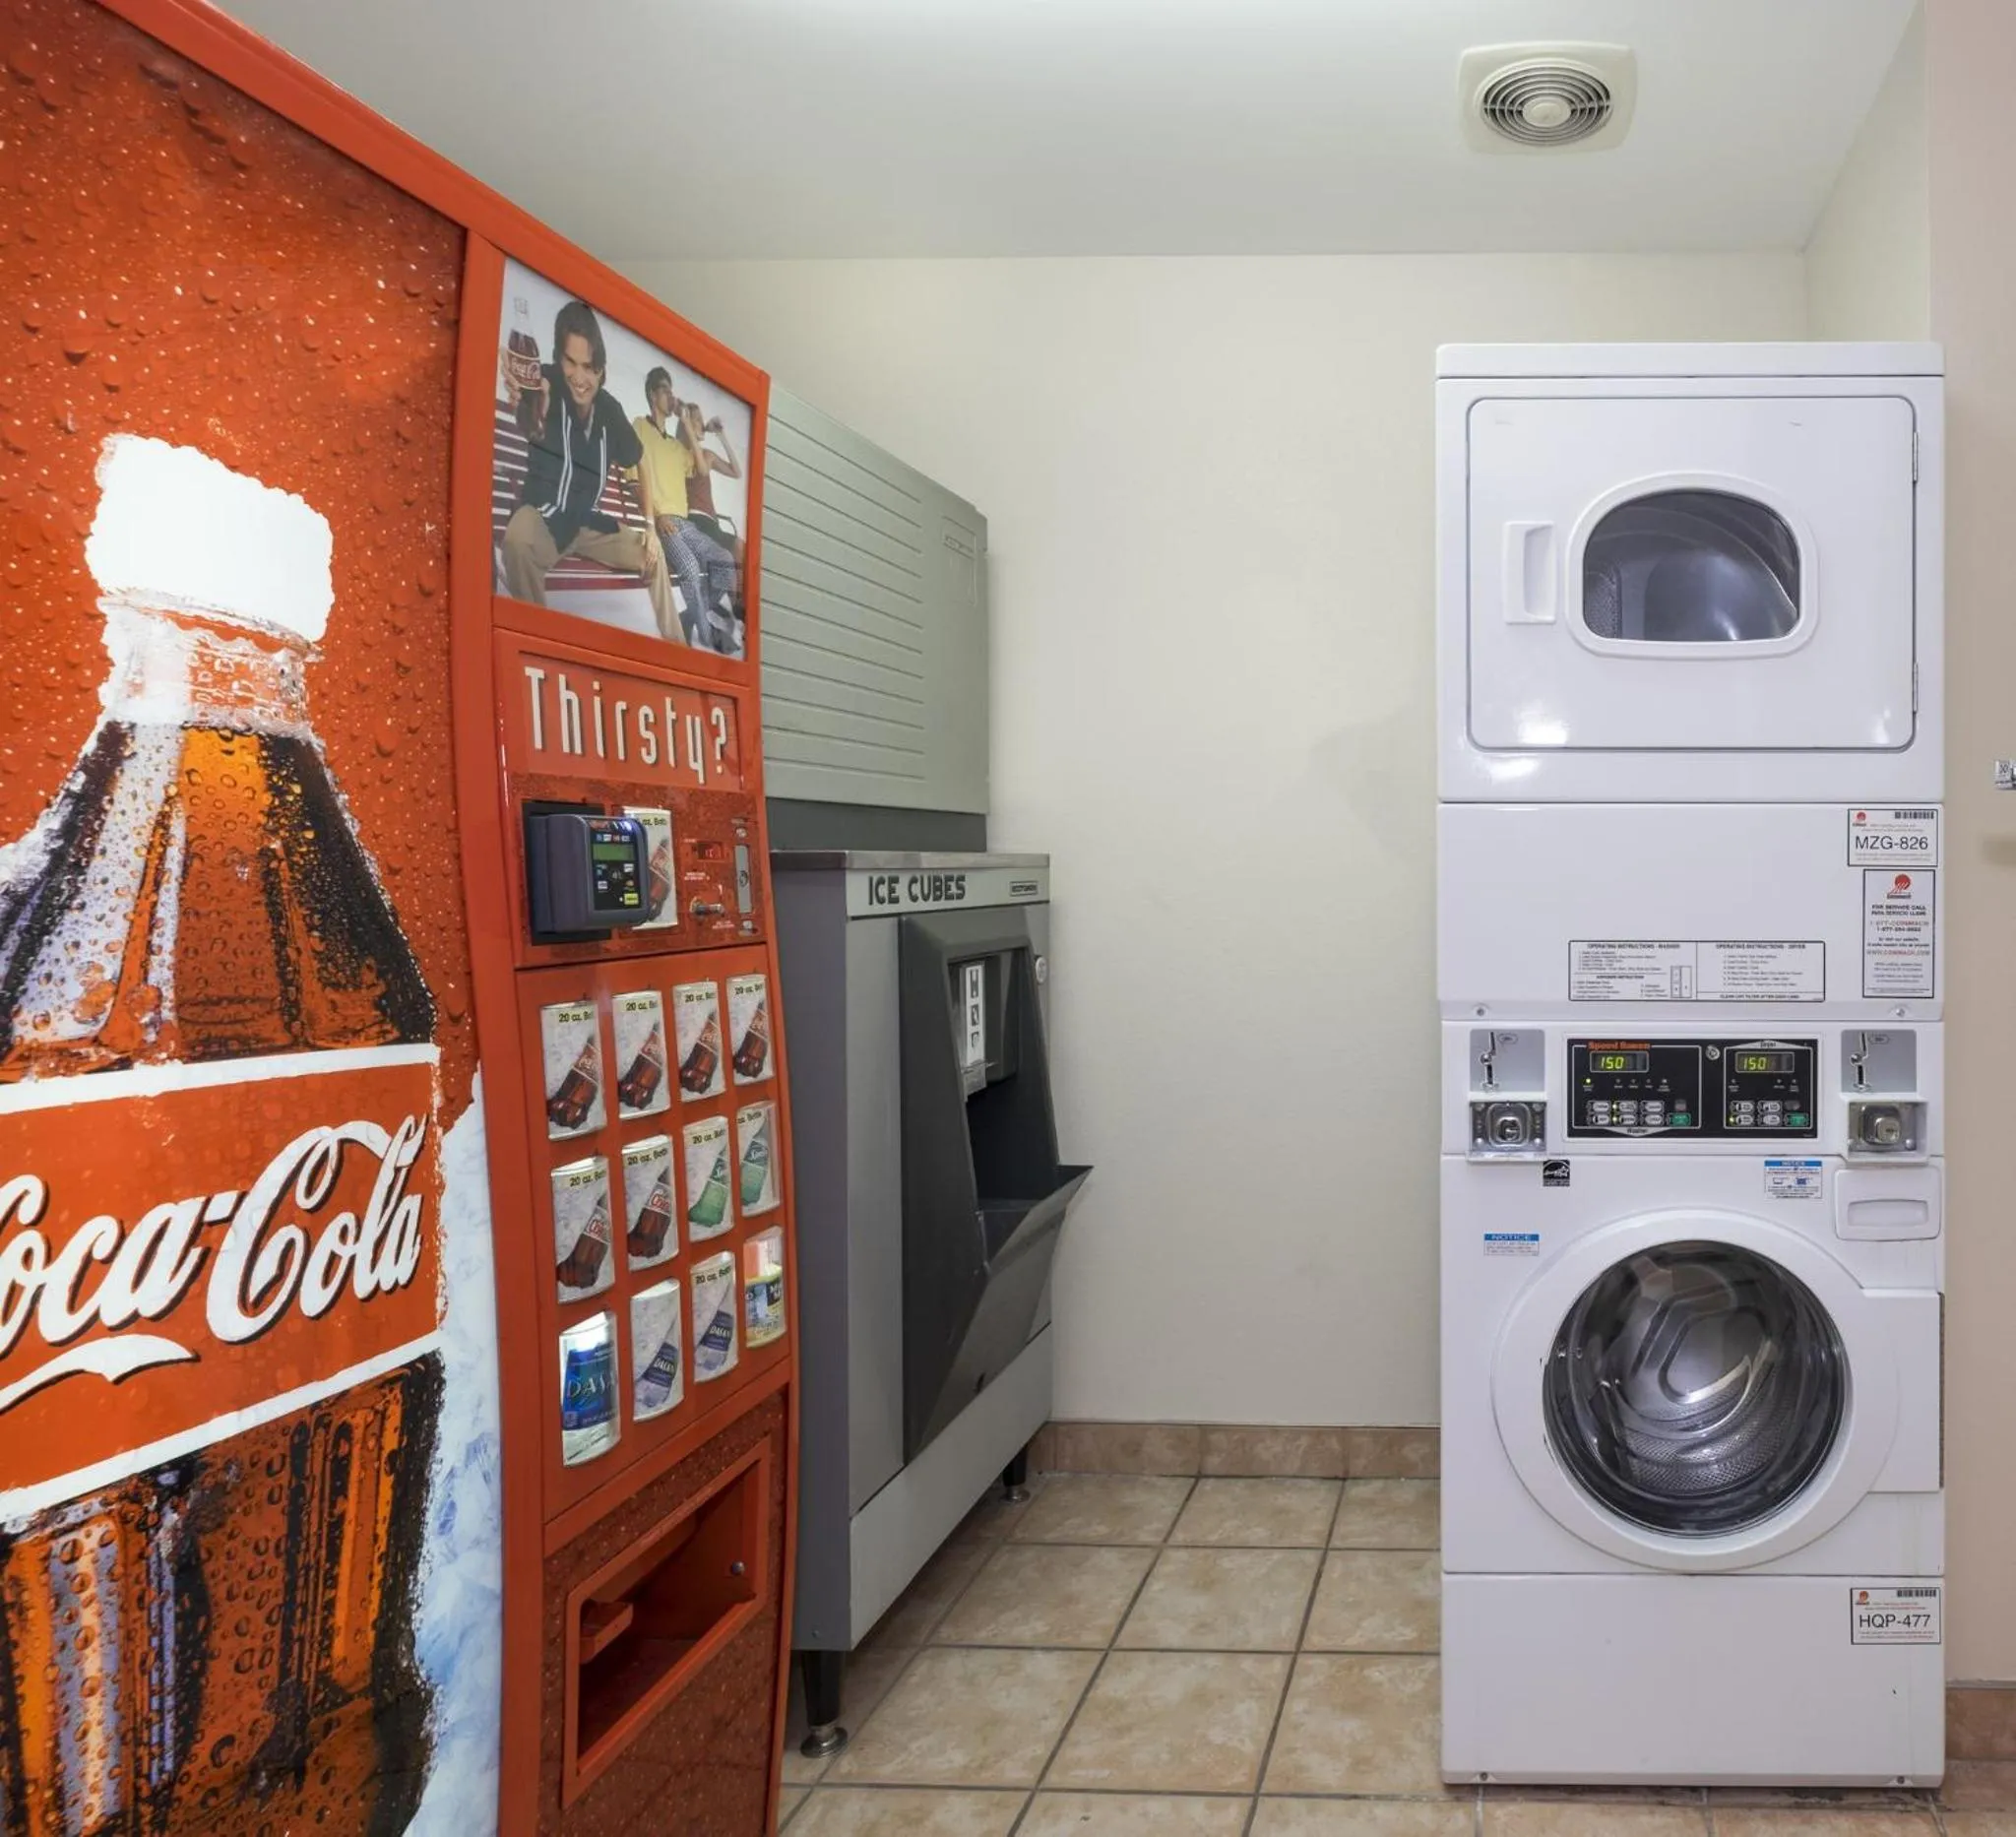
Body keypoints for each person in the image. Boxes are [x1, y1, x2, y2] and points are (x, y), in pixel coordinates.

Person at [500, 299, 679, 641]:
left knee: (653, 556)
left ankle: (681, 656)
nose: (580, 378)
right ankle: (537, 648)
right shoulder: (547, 382)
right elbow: (532, 406)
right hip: (543, 514)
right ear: (558, 358)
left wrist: (651, 529)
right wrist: (524, 400)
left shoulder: (610, 409)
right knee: (516, 541)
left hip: (588, 524)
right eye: (571, 362)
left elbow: (640, 461)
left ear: (601, 370)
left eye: (589, 367)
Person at [631, 368, 740, 651]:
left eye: (671, 390)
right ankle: (708, 637)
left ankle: (695, 616)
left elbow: (702, 467)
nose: (671, 395)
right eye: (666, 390)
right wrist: (656, 515)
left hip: (686, 525)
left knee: (725, 559)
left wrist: (686, 421)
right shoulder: (640, 428)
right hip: (664, 525)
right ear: (653, 395)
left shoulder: (676, 448)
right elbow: (634, 480)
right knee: (691, 568)